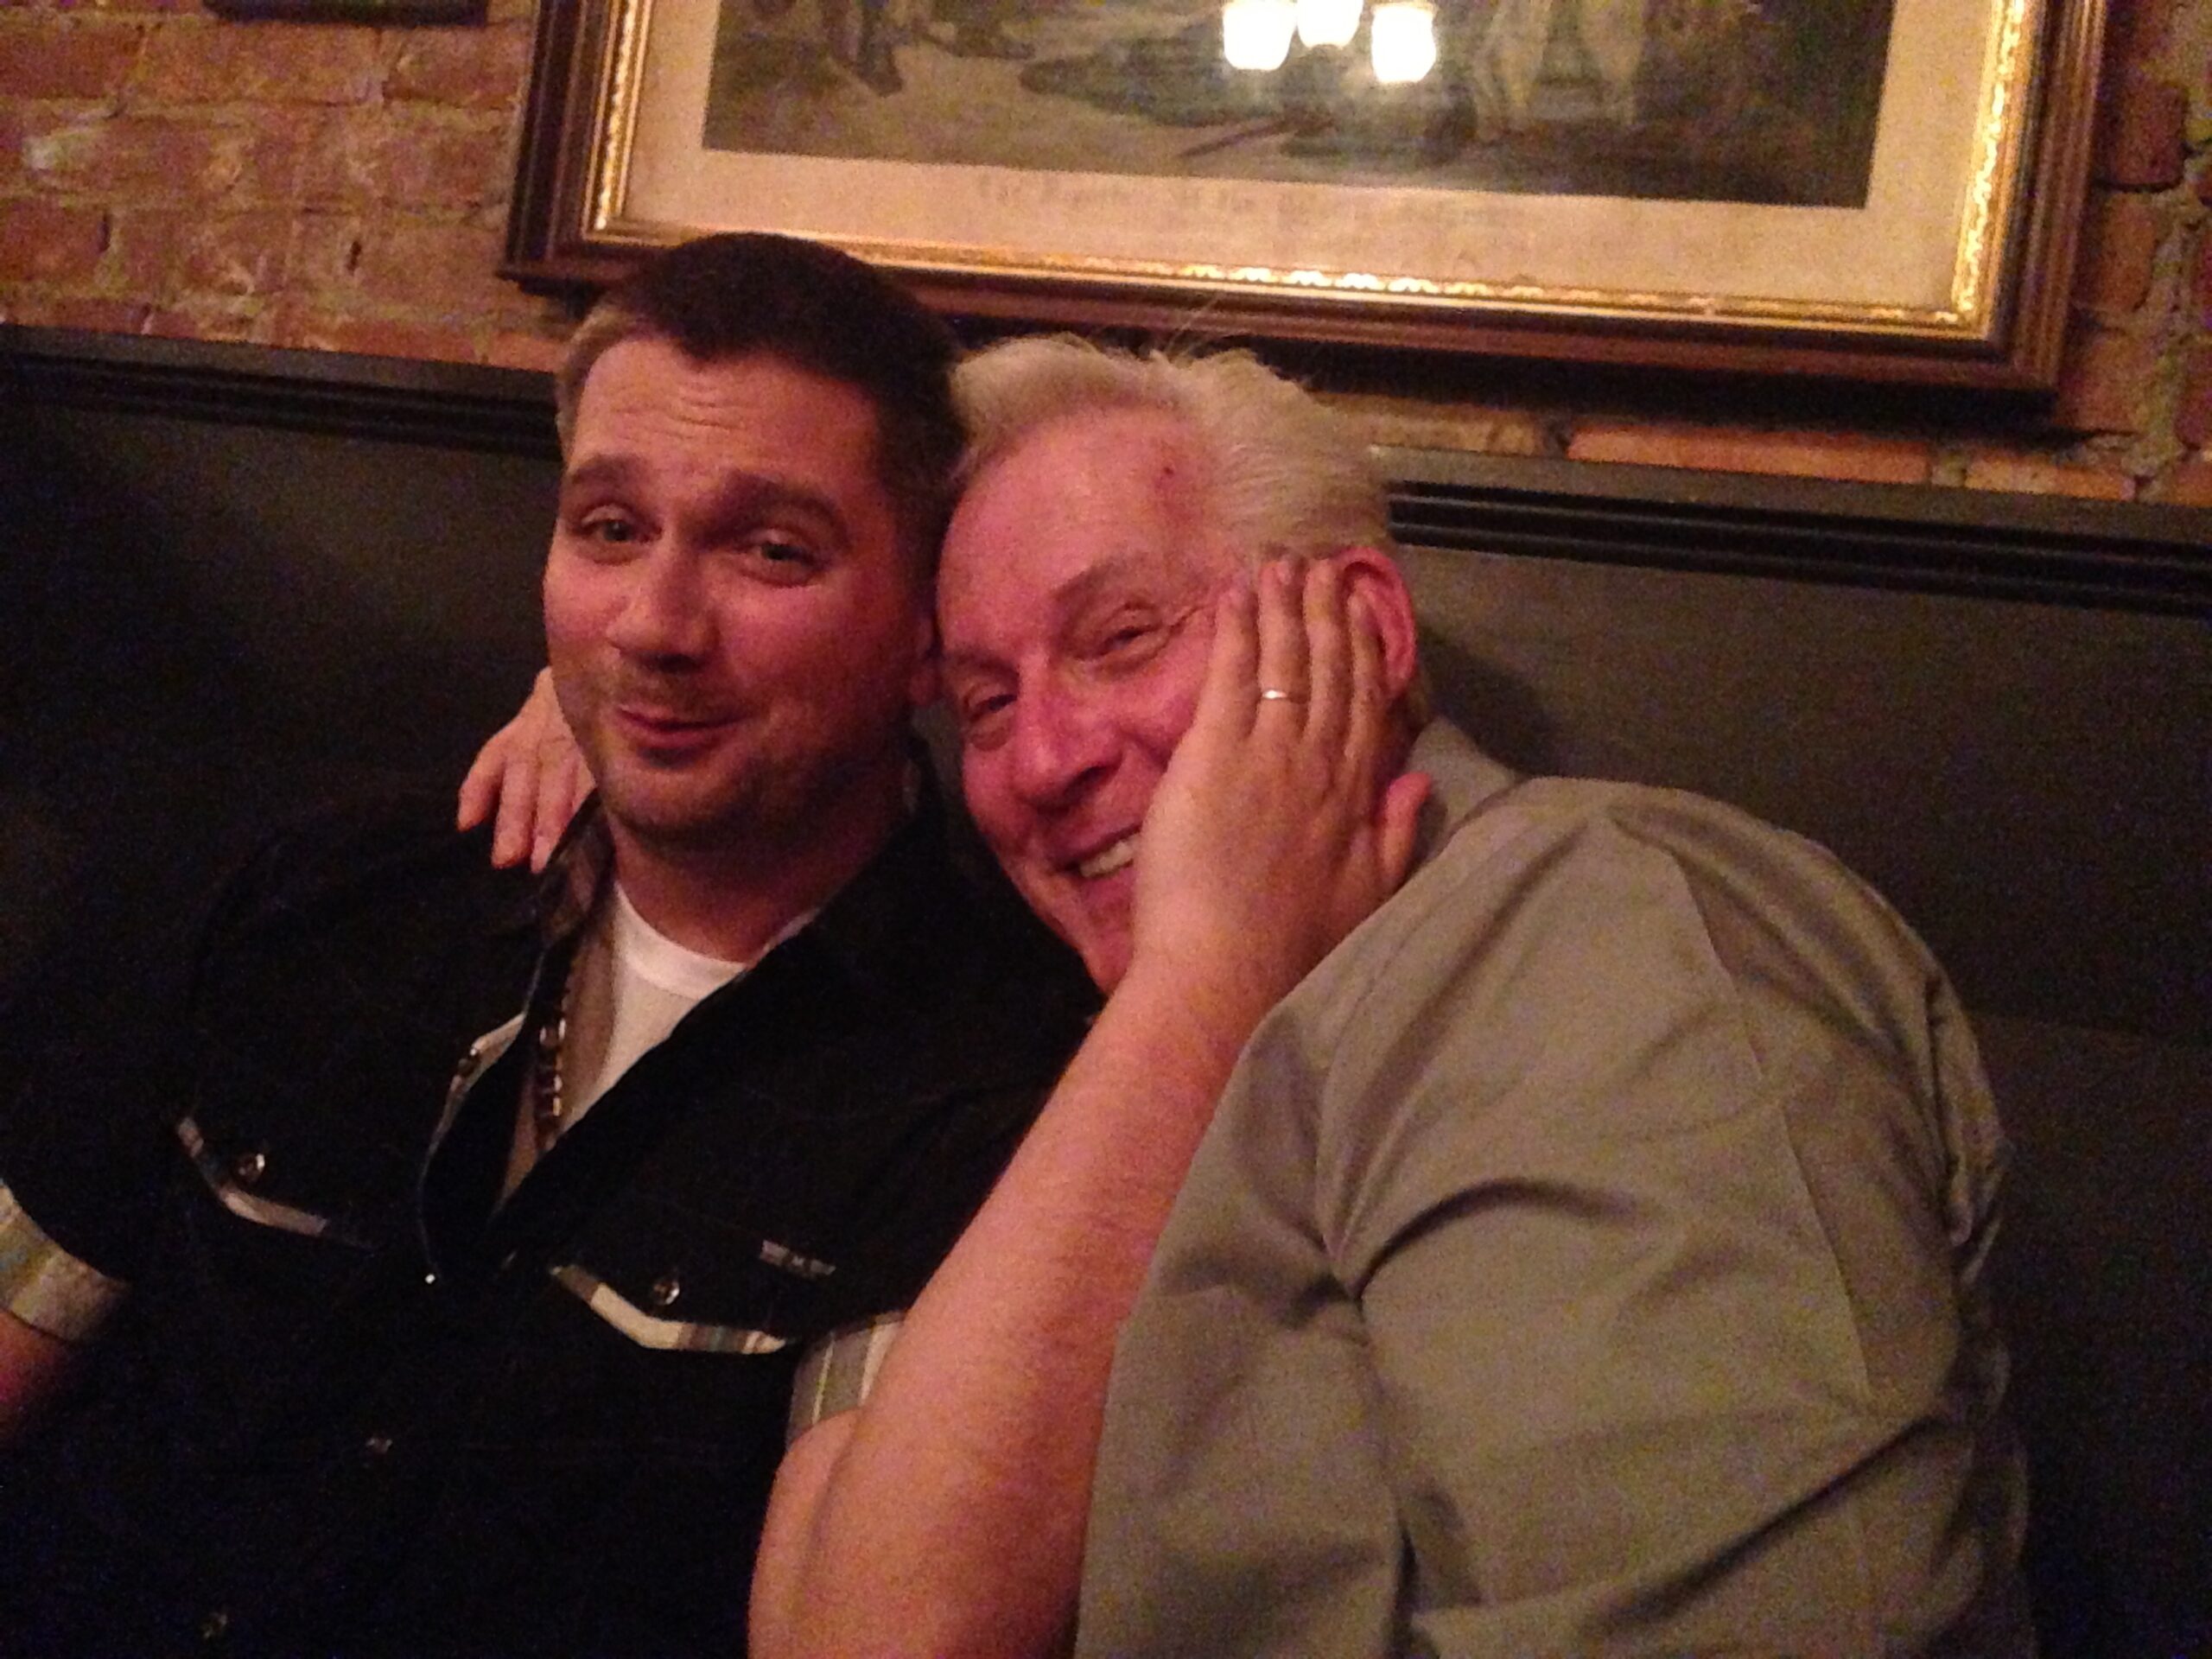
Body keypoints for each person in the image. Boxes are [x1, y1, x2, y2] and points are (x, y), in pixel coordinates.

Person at [475, 332, 2032, 1656]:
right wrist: (614, 705)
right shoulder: (1084, 1020)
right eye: (989, 702)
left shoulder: (1598, 931)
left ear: (1362, 627)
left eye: (1122, 637)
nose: (1043, 759)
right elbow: (847, 1617)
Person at [0, 233, 1405, 1656]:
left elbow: (876, 1630)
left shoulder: (1008, 1080)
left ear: (920, 638)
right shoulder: (313, 895)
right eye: (611, 529)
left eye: (772, 551)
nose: (655, 627)